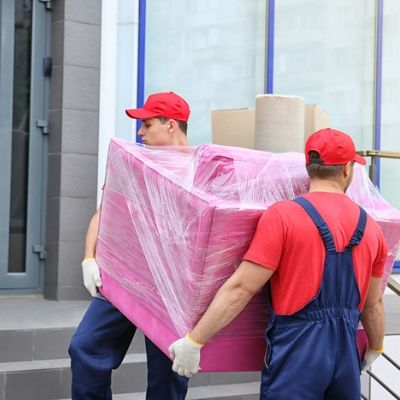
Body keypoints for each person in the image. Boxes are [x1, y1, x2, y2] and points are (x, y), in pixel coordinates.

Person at [169, 128, 387, 399]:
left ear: (308, 167)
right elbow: (373, 304)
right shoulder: (371, 228)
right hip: (345, 353)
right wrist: (375, 347)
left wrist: (195, 340)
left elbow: (241, 288)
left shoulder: (283, 216)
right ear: (347, 169)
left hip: (297, 354)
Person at [68, 92, 190, 400]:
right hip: (126, 278)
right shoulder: (134, 165)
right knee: (84, 347)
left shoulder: (199, 170)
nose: (140, 132)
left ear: (171, 125)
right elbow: (104, 211)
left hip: (172, 290)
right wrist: (88, 258)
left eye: (147, 125)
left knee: (167, 375)